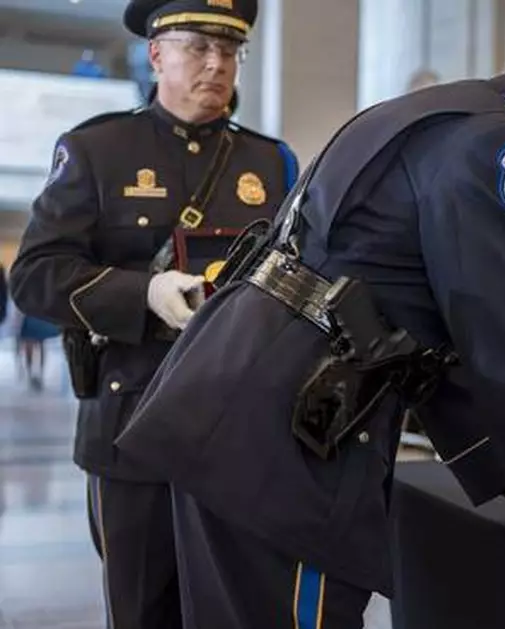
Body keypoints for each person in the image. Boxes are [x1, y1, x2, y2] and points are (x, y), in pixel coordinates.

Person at [118, 0, 505, 626]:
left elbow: (424, 345)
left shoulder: (431, 114)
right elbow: (501, 349)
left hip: (230, 414)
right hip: (290, 452)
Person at [7, 1, 298, 627]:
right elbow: (34, 276)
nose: (217, 64)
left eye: (231, 50)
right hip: (131, 425)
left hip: (239, 433)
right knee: (144, 611)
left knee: (239, 608)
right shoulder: (97, 150)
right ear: (157, 53)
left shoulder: (272, 164)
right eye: (198, 47)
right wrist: (142, 292)